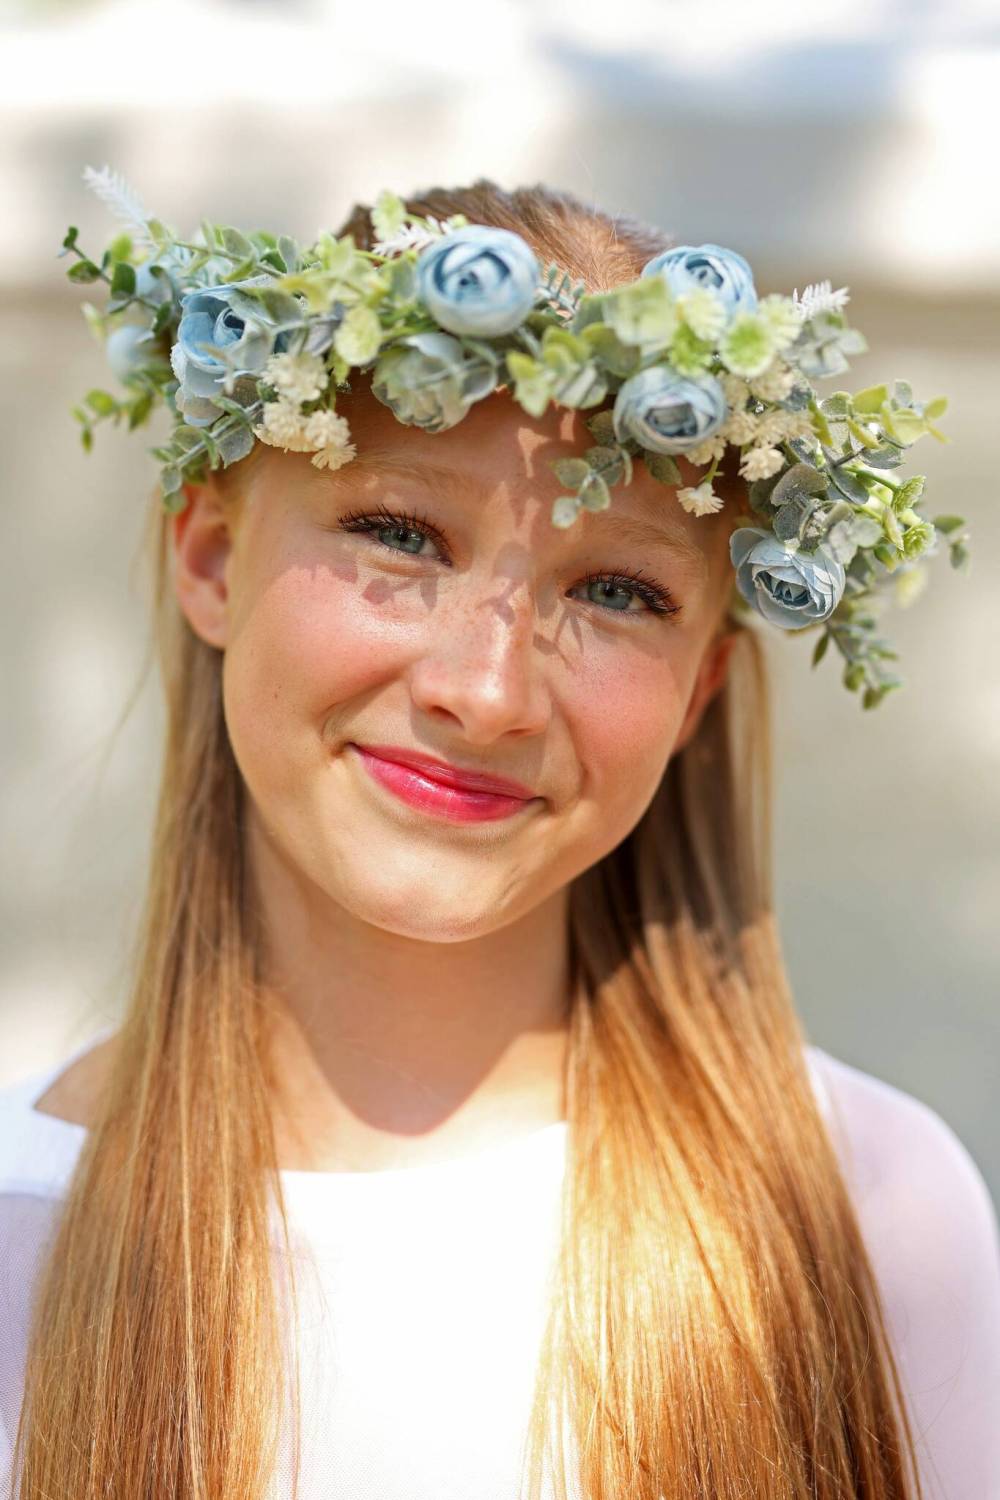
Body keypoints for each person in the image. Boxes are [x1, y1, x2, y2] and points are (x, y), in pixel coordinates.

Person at [1, 176, 997, 1500]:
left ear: (698, 688)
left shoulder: (869, 1210)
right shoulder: (21, 1233)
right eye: (400, 533)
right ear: (208, 560)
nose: (487, 692)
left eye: (620, 591)